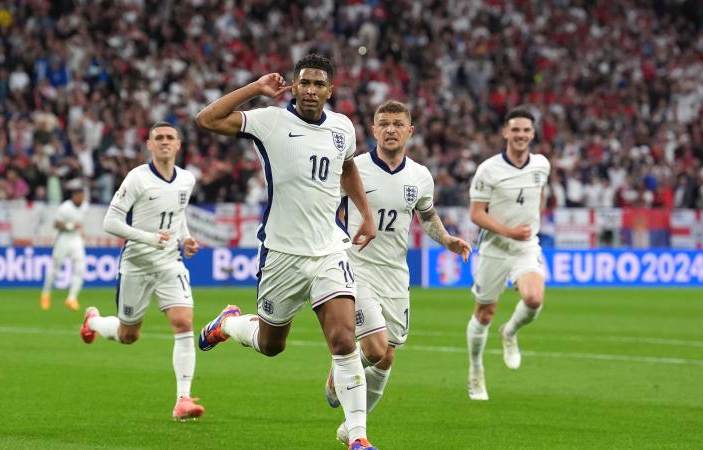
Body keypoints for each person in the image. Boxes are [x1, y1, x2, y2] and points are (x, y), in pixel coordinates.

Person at [194, 53, 379, 450]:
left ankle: (358, 437)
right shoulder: (270, 120)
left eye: (318, 84)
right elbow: (205, 120)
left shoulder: (343, 128)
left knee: (345, 341)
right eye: (304, 83)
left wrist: (366, 213)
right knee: (270, 345)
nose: (311, 90)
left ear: (331, 90)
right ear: (293, 86)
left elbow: (347, 168)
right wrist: (255, 89)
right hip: (282, 253)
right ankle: (227, 324)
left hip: (329, 249)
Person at [324, 100, 472, 443]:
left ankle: (350, 428)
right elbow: (327, 207)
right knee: (374, 349)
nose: (390, 129)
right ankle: (342, 370)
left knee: (387, 357)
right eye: (384, 123)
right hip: (356, 267)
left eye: (397, 123)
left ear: (410, 131)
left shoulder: (420, 176)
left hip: (395, 274)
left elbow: (427, 215)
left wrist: (447, 239)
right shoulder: (353, 168)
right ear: (373, 130)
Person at [79, 122, 205, 421]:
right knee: (128, 335)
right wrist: (149, 238)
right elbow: (110, 222)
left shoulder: (186, 180)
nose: (164, 142)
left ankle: (183, 399)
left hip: (169, 262)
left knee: (183, 321)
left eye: (169, 138)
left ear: (178, 144)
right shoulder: (137, 178)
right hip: (136, 262)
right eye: (158, 138)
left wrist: (185, 238)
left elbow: (178, 213)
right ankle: (94, 321)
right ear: (148, 144)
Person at [466, 108, 550, 400]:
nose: (521, 135)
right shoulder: (488, 169)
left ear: (533, 134)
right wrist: (507, 230)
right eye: (515, 130)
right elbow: (476, 214)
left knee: (534, 298)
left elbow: (537, 197)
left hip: (526, 247)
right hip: (495, 247)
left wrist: (527, 228)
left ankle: (510, 332)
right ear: (505, 132)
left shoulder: (542, 165)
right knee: (484, 312)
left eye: (526, 130)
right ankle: (476, 370)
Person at [40, 178, 89, 311]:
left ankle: (72, 298)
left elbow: (80, 221)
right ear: (74, 196)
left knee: (80, 268)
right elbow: (56, 224)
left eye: (83, 195)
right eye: (80, 196)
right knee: (55, 268)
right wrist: (71, 225)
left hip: (76, 239)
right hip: (63, 238)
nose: (82, 198)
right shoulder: (65, 208)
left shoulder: (84, 206)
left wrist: (82, 231)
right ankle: (46, 294)